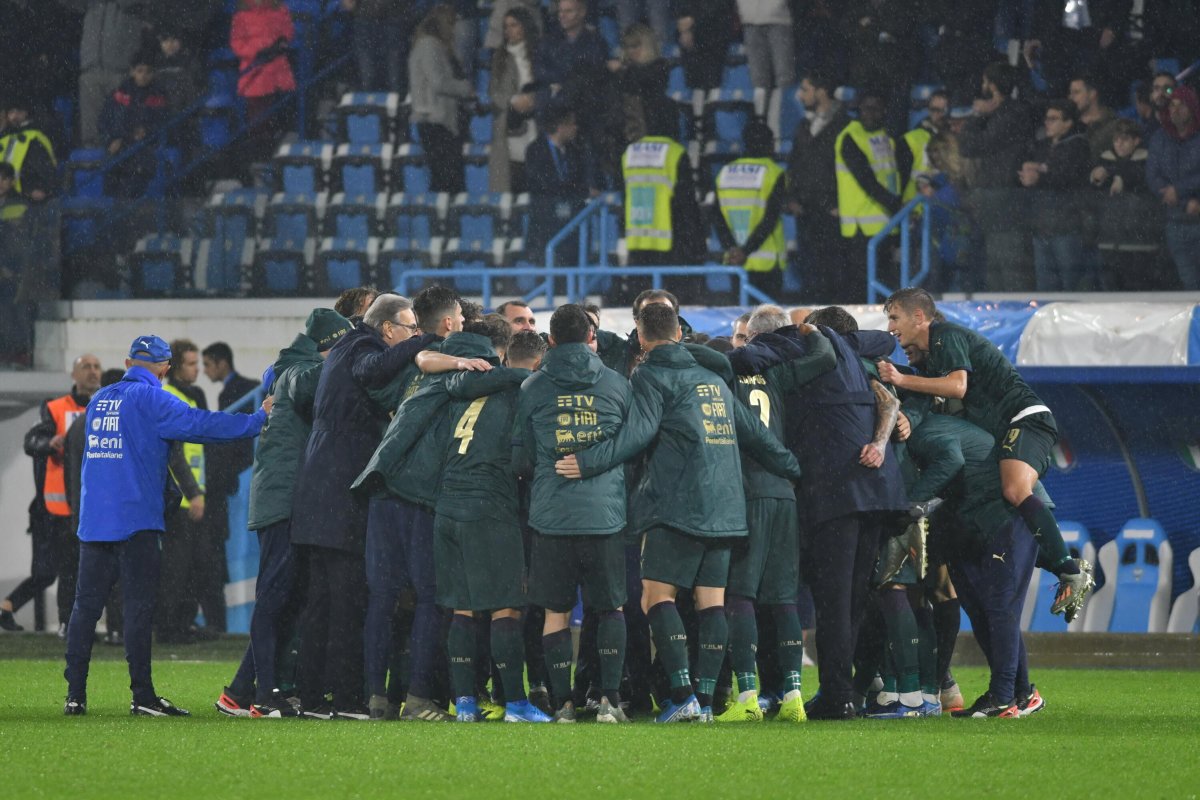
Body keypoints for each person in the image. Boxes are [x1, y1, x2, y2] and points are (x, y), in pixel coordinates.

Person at [557, 303, 801, 723]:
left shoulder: (650, 374)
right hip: (727, 506)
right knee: (711, 602)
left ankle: (684, 694)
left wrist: (588, 461)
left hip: (678, 502)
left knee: (656, 597)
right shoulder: (713, 378)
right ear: (677, 332)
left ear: (641, 335)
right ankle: (704, 702)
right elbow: (753, 434)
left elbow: (638, 433)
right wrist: (793, 466)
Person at [64, 335, 270, 717]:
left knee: (85, 609)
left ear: (129, 363)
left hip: (94, 522)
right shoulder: (153, 399)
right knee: (139, 609)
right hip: (136, 523)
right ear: (164, 368)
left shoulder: (99, 400)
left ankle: (75, 695)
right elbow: (203, 424)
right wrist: (257, 420)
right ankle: (142, 696)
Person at [727, 306, 906, 720]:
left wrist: (720, 357)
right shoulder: (848, 345)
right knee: (856, 598)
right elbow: (885, 340)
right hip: (877, 490)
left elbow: (749, 356)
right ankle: (851, 689)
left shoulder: (788, 340)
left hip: (835, 489)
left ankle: (837, 694)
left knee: (833, 600)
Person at [879, 287, 1096, 622]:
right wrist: (906, 415)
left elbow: (958, 386)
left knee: (1013, 489)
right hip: (1007, 435)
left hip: (1026, 418)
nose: (890, 327)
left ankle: (1070, 571)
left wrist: (900, 379)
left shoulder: (945, 334)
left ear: (919, 317)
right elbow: (930, 399)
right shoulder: (931, 362)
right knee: (1005, 513)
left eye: (895, 317)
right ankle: (1064, 566)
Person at [290, 293, 434, 720]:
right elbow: (372, 369)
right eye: (410, 328)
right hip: (340, 493)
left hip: (317, 491)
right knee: (348, 600)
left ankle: (312, 696)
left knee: (321, 602)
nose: (414, 335)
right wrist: (426, 341)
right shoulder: (362, 346)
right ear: (388, 328)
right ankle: (347, 697)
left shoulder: (344, 347)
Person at [215, 308, 354, 718]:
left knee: (287, 599)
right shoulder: (297, 370)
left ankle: (246, 692)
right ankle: (263, 695)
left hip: (290, 499)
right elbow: (306, 383)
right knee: (274, 599)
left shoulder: (294, 369)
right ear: (331, 346)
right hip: (282, 501)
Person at [351, 286, 478, 721]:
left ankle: (375, 697)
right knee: (430, 596)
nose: (464, 325)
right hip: (421, 494)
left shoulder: (409, 366)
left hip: (382, 487)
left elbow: (380, 397)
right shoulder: (461, 363)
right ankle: (419, 698)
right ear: (449, 323)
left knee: (383, 597)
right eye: (461, 318)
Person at [510, 304, 633, 723]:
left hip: (552, 517)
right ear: (591, 338)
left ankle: (563, 703)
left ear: (550, 341)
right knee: (611, 608)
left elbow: (522, 458)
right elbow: (630, 446)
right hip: (605, 516)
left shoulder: (532, 386)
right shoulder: (617, 384)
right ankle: (610, 700)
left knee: (555, 612)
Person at [717, 305, 835, 723]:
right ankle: (793, 697)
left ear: (750, 337)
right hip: (785, 495)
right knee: (784, 598)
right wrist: (810, 332)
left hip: (747, 492)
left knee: (740, 595)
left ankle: (748, 697)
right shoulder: (781, 376)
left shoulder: (728, 374)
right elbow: (825, 357)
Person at [435, 323, 554, 723]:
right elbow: (523, 460)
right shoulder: (524, 393)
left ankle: (465, 704)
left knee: (463, 608)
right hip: (489, 506)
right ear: (538, 364)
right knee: (507, 609)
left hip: (448, 504)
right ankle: (517, 704)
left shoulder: (472, 389)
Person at [1, 355, 102, 634]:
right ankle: (66, 622)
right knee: (55, 571)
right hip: (53, 509)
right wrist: (50, 442)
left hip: (87, 505)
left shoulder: (104, 409)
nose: (93, 372)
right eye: (86, 367)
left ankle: (11, 608)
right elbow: (31, 442)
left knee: (71, 570)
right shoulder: (55, 408)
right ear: (73, 375)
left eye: (96, 367)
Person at [156, 339, 217, 644]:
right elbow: (175, 454)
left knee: (193, 565)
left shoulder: (189, 397)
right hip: (179, 497)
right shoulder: (171, 397)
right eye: (191, 364)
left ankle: (183, 622)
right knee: (176, 567)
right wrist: (192, 493)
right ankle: (168, 627)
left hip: (193, 494)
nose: (197, 370)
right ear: (176, 366)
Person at [833, 89, 908, 303]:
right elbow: (866, 180)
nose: (871, 114)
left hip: (886, 223)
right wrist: (897, 206)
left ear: (884, 111)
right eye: (866, 109)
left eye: (876, 109)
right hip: (861, 227)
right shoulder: (850, 137)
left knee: (883, 287)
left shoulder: (886, 137)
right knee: (862, 288)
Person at [618, 128, 705, 303]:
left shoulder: (630, 153)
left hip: (638, 241)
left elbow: (623, 194)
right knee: (669, 305)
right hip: (671, 241)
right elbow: (686, 203)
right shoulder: (675, 152)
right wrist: (695, 239)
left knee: (642, 303)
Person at [786, 71, 849, 303]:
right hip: (807, 213)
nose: (800, 95)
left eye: (805, 89)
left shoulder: (845, 125)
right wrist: (792, 198)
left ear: (821, 92)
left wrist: (837, 204)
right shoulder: (803, 125)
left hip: (833, 214)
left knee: (835, 276)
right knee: (811, 277)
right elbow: (793, 165)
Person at [1019, 99, 1093, 291]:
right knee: (1046, 289)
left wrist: (1039, 176)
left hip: (1067, 227)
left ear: (1068, 123)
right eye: (1047, 119)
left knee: (1071, 286)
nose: (1047, 123)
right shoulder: (1042, 146)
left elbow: (1067, 177)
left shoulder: (1078, 146)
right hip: (1042, 227)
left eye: (1053, 119)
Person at [714, 120, 788, 298]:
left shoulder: (725, 172)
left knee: (742, 312)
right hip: (766, 264)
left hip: (735, 262)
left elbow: (717, 217)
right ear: (769, 144)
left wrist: (732, 249)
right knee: (769, 314)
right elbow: (770, 219)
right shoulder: (773, 172)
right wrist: (746, 251)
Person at [409, 3, 474, 194]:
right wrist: (465, 89)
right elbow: (438, 82)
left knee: (447, 179)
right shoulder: (429, 45)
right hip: (435, 121)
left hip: (439, 121)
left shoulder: (431, 46)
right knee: (445, 179)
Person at [230, 0, 296, 177]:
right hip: (254, 70)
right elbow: (236, 44)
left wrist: (278, 45)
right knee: (258, 119)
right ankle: (261, 160)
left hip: (277, 68)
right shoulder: (241, 15)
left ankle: (277, 158)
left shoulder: (280, 9)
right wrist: (257, 51)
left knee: (278, 116)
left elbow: (288, 33)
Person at [1090, 119, 1157, 290]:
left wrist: (1122, 177)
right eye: (1116, 139)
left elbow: (1145, 179)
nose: (1119, 144)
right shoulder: (1104, 160)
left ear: (1136, 141)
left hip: (1139, 241)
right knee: (1110, 288)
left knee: (1138, 287)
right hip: (1108, 239)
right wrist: (1095, 176)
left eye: (1125, 139)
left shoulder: (1148, 160)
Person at [1146, 84, 1200, 290]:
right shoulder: (1160, 138)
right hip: (1175, 221)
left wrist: (1179, 190)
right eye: (1172, 105)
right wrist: (1184, 200)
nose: (1175, 110)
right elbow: (1153, 176)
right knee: (1189, 283)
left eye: (1181, 105)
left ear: (1192, 107)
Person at [97, 54, 169, 198]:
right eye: (140, 71)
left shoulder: (159, 96)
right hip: (119, 147)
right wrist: (110, 140)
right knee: (112, 174)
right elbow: (103, 121)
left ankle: (127, 207)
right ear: (132, 71)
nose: (143, 76)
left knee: (135, 176)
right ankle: (115, 206)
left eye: (148, 71)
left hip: (145, 148)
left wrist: (147, 131)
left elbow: (164, 122)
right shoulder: (119, 94)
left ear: (153, 73)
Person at [78, 0, 149, 146]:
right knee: (91, 132)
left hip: (122, 69)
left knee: (121, 128)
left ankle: (121, 153)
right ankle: (93, 155)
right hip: (91, 67)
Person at [524, 105, 588, 262]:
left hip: (569, 229)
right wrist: (567, 188)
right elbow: (540, 183)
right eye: (572, 124)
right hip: (545, 225)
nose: (576, 128)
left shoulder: (575, 152)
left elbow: (579, 183)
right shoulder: (535, 150)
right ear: (561, 127)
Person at [488, 7, 541, 193]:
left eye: (514, 25)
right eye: (506, 26)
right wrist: (513, 101)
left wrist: (534, 99)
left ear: (525, 26)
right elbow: (494, 93)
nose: (509, 30)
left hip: (537, 123)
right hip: (511, 127)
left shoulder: (539, 53)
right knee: (515, 179)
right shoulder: (500, 57)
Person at [612, 23, 675, 147]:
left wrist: (622, 71)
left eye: (635, 46)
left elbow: (643, 81)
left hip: (657, 132)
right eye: (627, 47)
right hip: (632, 135)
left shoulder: (660, 67)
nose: (631, 51)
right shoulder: (625, 73)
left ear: (647, 45)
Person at [341, 0, 410, 94]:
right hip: (366, 19)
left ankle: (395, 99)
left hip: (392, 17)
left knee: (394, 74)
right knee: (369, 75)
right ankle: (372, 101)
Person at [901, 89, 950, 202]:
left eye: (943, 110)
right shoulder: (913, 138)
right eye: (934, 109)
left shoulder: (955, 137)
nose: (938, 114)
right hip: (915, 205)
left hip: (944, 204)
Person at [736, 0, 795, 92]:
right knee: (758, 76)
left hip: (779, 20)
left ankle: (786, 101)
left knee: (784, 73)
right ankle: (761, 101)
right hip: (750, 19)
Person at [1069, 74, 1119, 161]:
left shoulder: (1113, 124)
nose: (1071, 97)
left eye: (1076, 92)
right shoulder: (1069, 123)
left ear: (1092, 94)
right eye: (1071, 93)